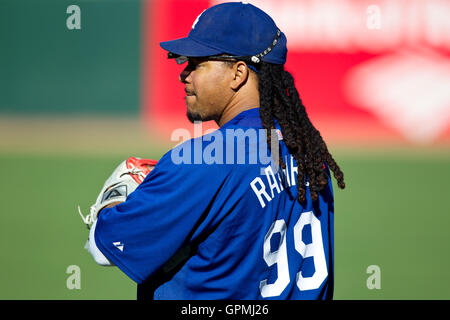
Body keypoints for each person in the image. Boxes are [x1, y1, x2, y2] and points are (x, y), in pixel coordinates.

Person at [83, 1, 345, 300]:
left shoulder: (200, 163)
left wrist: (114, 198)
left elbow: (105, 248)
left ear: (238, 73)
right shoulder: (310, 157)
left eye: (197, 63)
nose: (185, 75)